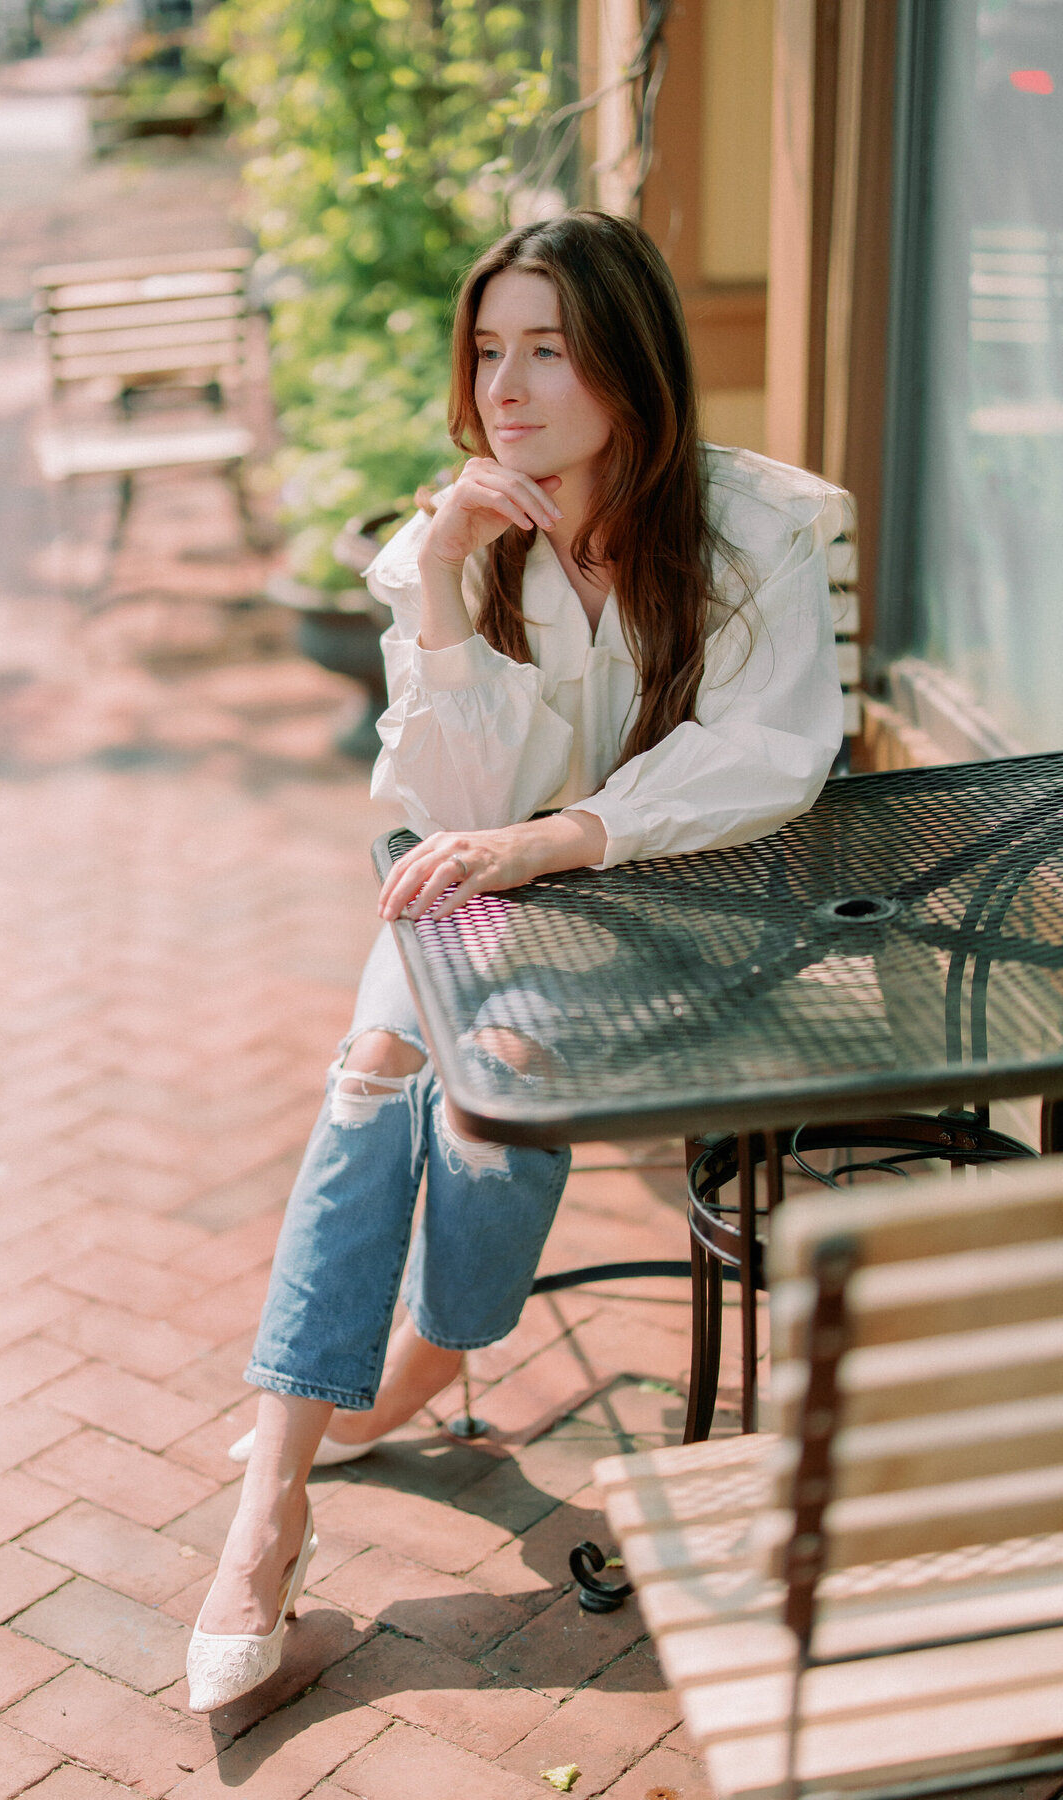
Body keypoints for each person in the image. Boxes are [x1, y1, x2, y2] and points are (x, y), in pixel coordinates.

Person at [185, 208, 847, 1711]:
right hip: (493, 881)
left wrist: (565, 842)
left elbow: (771, 757)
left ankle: (428, 1352)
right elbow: (457, 814)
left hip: (678, 905)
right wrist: (438, 591)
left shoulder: (752, 528)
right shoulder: (465, 542)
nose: (508, 385)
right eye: (489, 350)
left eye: (548, 349)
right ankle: (268, 1509)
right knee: (380, 1058)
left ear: (631, 366)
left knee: (515, 1058)